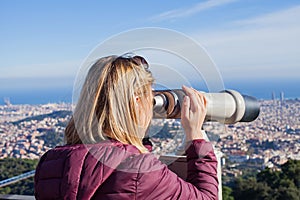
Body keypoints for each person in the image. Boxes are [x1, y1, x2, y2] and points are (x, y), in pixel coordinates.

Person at [34, 55, 218, 199]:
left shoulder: (50, 163)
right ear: (136, 102)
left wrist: (137, 139)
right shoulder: (140, 170)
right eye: (149, 98)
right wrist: (195, 135)